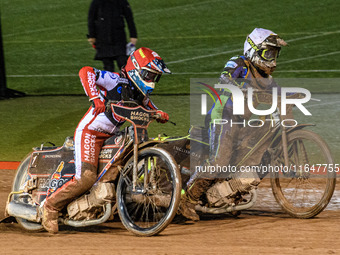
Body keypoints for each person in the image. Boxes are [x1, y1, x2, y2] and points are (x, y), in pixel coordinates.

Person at [42, 47, 171, 234]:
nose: (151, 81)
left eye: (155, 77)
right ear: (136, 70)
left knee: (119, 167)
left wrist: (159, 114)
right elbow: (85, 71)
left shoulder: (140, 94)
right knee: (86, 178)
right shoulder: (116, 80)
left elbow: (149, 106)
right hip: (91, 133)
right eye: (149, 75)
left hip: (111, 137)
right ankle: (50, 207)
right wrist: (95, 97)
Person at [179, 28, 288, 221]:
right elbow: (224, 78)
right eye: (268, 53)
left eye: (274, 53)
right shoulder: (239, 63)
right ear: (253, 50)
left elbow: (280, 96)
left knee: (253, 157)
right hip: (224, 116)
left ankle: (229, 193)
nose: (272, 58)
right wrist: (241, 87)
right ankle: (186, 200)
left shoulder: (267, 78)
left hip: (245, 122)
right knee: (219, 161)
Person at [87, 0, 138, 72]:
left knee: (123, 64)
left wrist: (133, 35)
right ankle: (112, 83)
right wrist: (92, 36)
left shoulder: (121, 2)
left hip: (119, 39)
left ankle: (126, 82)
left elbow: (129, 18)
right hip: (103, 39)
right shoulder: (97, 2)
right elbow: (91, 19)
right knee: (108, 67)